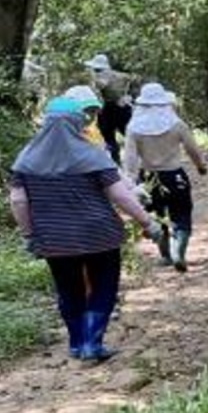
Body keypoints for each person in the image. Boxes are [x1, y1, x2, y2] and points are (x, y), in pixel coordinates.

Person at [9, 94, 161, 362]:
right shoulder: (91, 155)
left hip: (55, 239)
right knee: (103, 288)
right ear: (77, 123)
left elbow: (18, 201)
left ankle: (77, 343)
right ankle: (93, 343)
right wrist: (147, 222)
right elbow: (121, 196)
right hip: (99, 236)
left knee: (68, 290)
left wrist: (29, 234)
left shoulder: (26, 159)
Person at [122, 83, 208, 272]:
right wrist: (201, 166)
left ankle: (166, 255)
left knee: (157, 216)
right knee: (181, 213)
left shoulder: (134, 128)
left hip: (148, 177)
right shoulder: (177, 124)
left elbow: (130, 160)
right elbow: (192, 149)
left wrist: (131, 182)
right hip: (175, 174)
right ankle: (180, 253)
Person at [83, 53, 135, 163]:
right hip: (119, 107)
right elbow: (131, 79)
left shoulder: (101, 75)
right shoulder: (121, 75)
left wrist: (92, 78)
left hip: (111, 108)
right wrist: (128, 95)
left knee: (109, 137)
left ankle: (116, 160)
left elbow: (102, 85)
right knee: (127, 135)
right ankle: (123, 159)